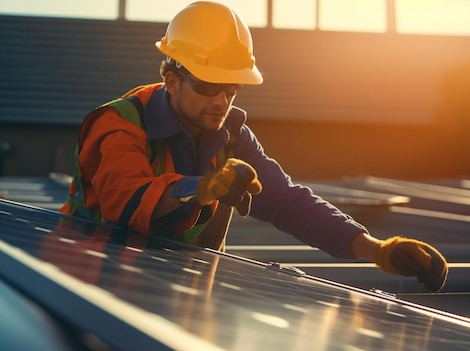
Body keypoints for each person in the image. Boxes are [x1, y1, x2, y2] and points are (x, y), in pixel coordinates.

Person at [60, 1, 448, 292]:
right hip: (84, 293)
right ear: (171, 78)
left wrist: (376, 250)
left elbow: (288, 202)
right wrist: (202, 188)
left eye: (232, 87)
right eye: (208, 85)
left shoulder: (231, 136)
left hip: (174, 297)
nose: (221, 100)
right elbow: (126, 201)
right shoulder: (119, 124)